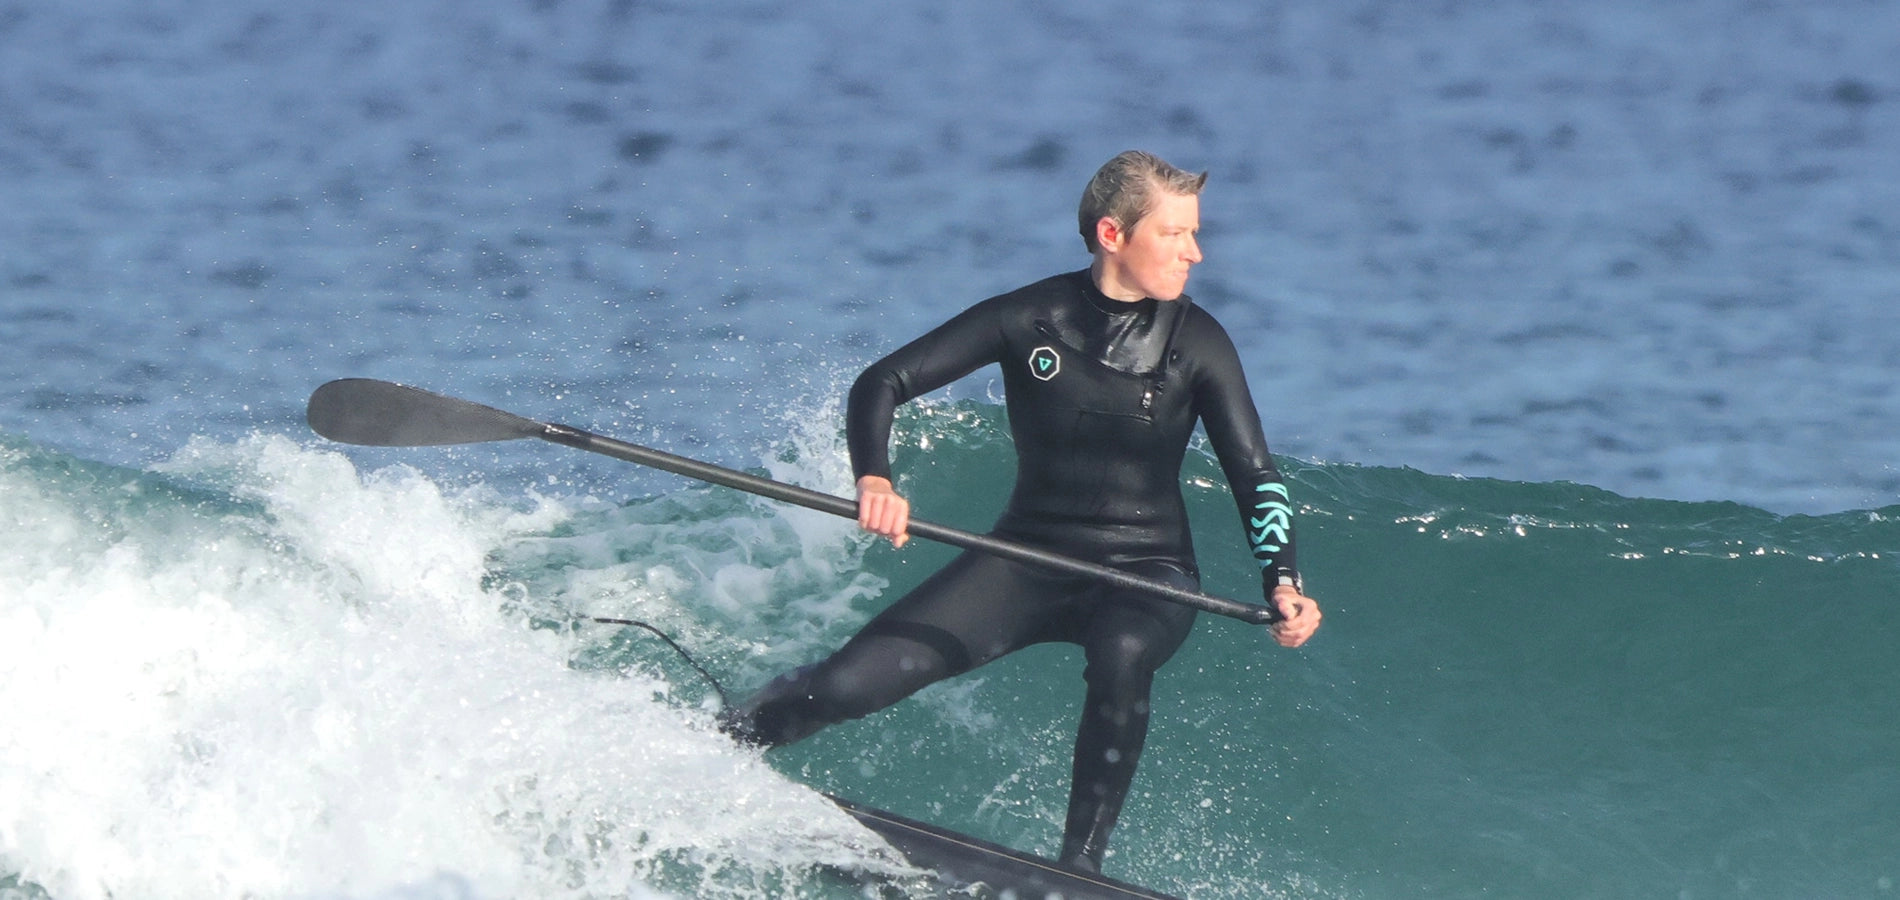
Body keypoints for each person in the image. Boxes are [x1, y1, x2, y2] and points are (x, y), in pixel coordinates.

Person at [719, 150, 1322, 872]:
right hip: (1026, 560)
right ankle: (711, 744)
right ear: (1112, 234)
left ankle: (1080, 867)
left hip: (1147, 572)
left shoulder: (1200, 343)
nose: (1195, 251)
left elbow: (1255, 474)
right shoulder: (1029, 318)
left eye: (1194, 233)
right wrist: (874, 478)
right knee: (846, 685)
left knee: (1124, 653)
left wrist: (1282, 580)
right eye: (1175, 234)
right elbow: (883, 381)